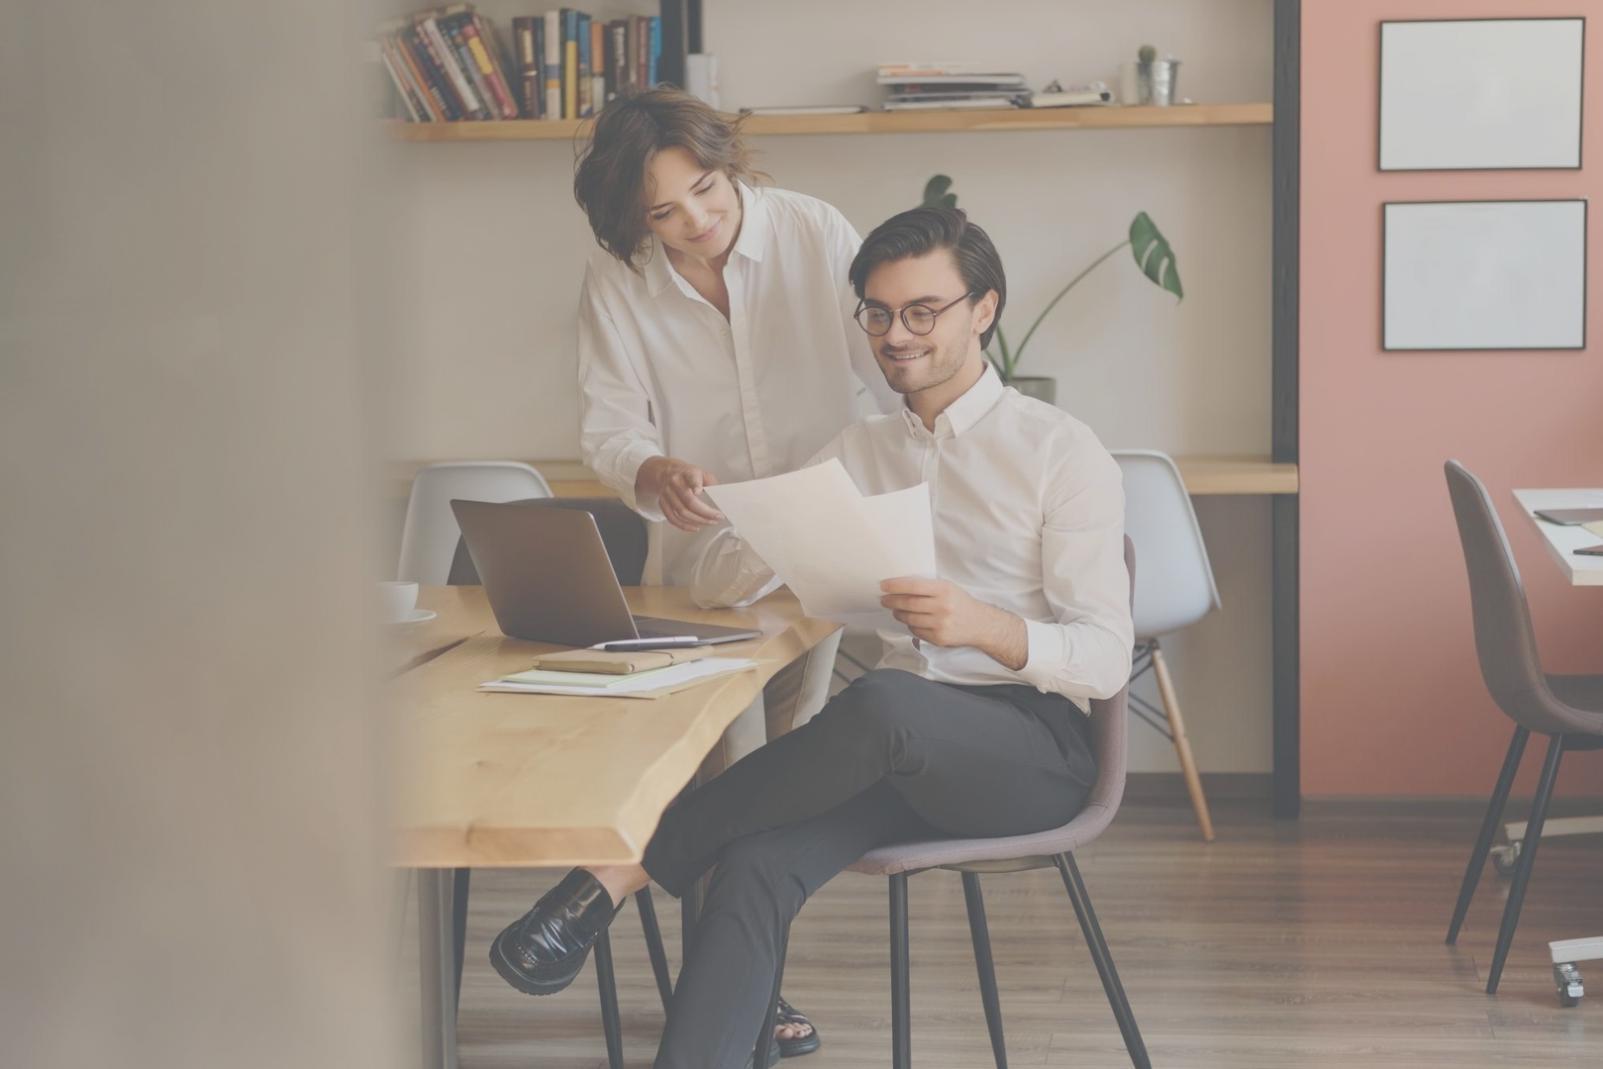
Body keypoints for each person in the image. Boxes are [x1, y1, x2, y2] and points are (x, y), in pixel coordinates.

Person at [490, 205, 1133, 1069]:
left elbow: (1103, 659)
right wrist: (767, 539)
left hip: (1032, 753)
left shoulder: (1061, 450)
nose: (894, 336)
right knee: (754, 863)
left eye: (921, 312)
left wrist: (986, 626)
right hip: (898, 755)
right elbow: (720, 579)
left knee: (881, 701)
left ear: (983, 308)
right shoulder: (862, 448)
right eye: (876, 313)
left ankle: (622, 869)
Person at [500, 87, 898, 1055]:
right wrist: (651, 470)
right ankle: (741, 1002)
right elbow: (610, 429)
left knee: (776, 779)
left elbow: (890, 363)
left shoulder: (812, 235)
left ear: (731, 163)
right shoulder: (619, 280)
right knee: (751, 774)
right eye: (664, 213)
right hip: (713, 569)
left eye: (707, 192)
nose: (696, 224)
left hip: (818, 558)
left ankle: (725, 991)